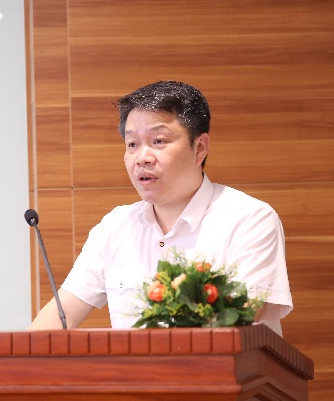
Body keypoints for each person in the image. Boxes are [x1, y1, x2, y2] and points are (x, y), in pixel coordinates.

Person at [29, 80, 292, 335]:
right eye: (132, 144)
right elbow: (60, 315)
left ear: (199, 148)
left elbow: (239, 323)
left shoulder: (249, 219)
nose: (142, 158)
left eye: (158, 141)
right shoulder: (114, 227)